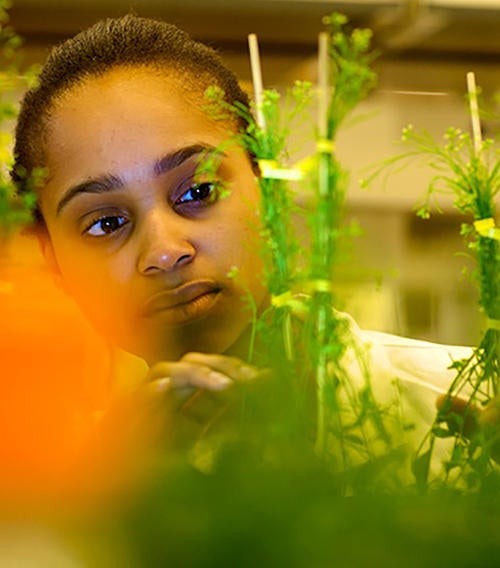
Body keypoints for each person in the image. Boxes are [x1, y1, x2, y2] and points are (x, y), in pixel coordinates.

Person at [11, 15, 481, 474]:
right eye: (106, 223)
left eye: (198, 192)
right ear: (53, 263)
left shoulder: (462, 411)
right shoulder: (56, 501)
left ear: (269, 188)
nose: (164, 250)